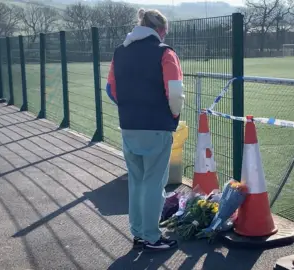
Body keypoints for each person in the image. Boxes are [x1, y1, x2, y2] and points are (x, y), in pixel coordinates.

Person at [105, 8, 185, 252]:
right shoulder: (165, 53)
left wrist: (131, 107)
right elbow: (175, 93)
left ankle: (138, 233)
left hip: (129, 124)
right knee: (153, 183)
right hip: (157, 126)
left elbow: (111, 89)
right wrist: (172, 115)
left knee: (137, 182)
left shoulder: (120, 52)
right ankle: (152, 236)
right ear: (160, 30)